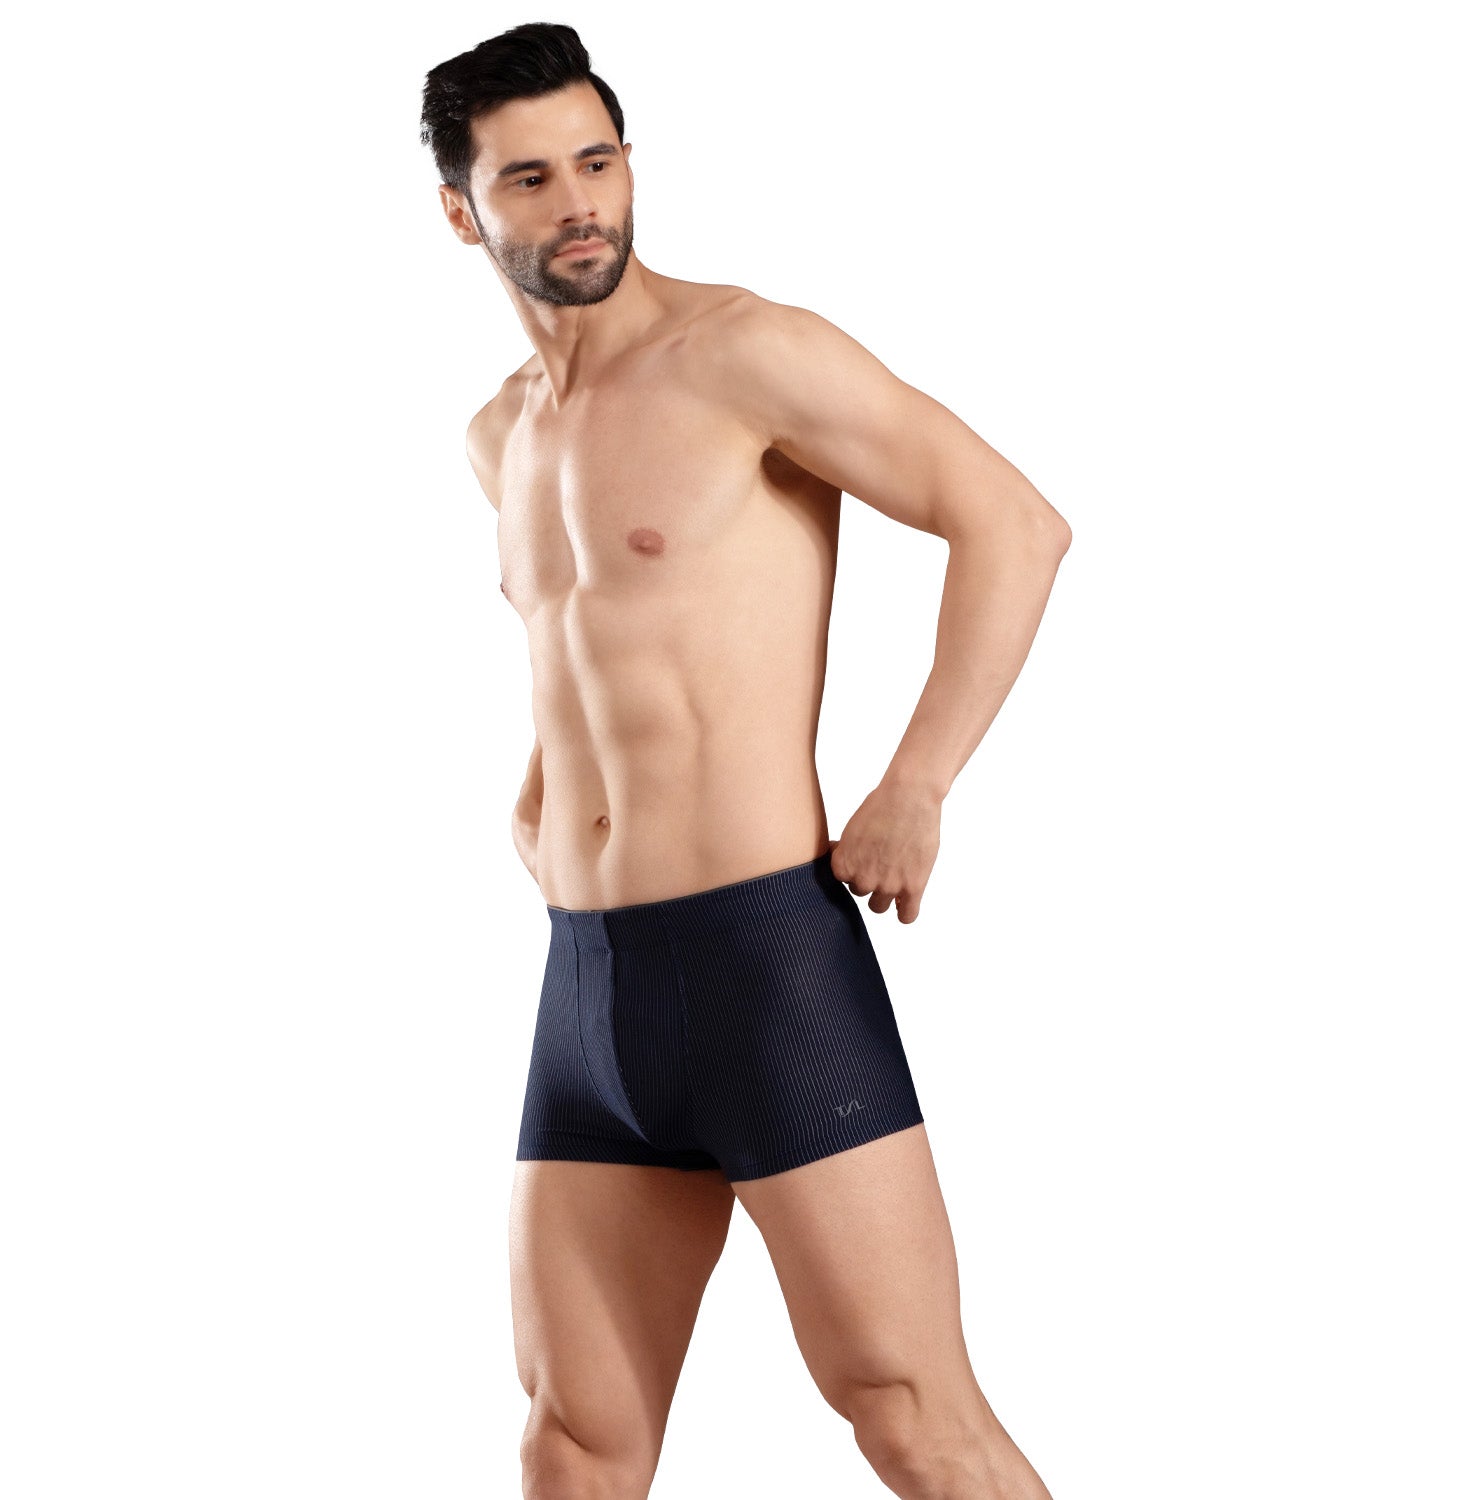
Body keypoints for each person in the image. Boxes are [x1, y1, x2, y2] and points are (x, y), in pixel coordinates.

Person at [420, 23, 1069, 1500]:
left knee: (910, 1413)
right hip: (588, 985)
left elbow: (1014, 524)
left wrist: (916, 783)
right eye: (530, 179)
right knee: (576, 1440)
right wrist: (540, 805)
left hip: (762, 960)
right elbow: (595, 652)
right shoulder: (499, 437)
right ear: (463, 212)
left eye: (597, 161)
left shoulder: (745, 354)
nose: (579, 202)